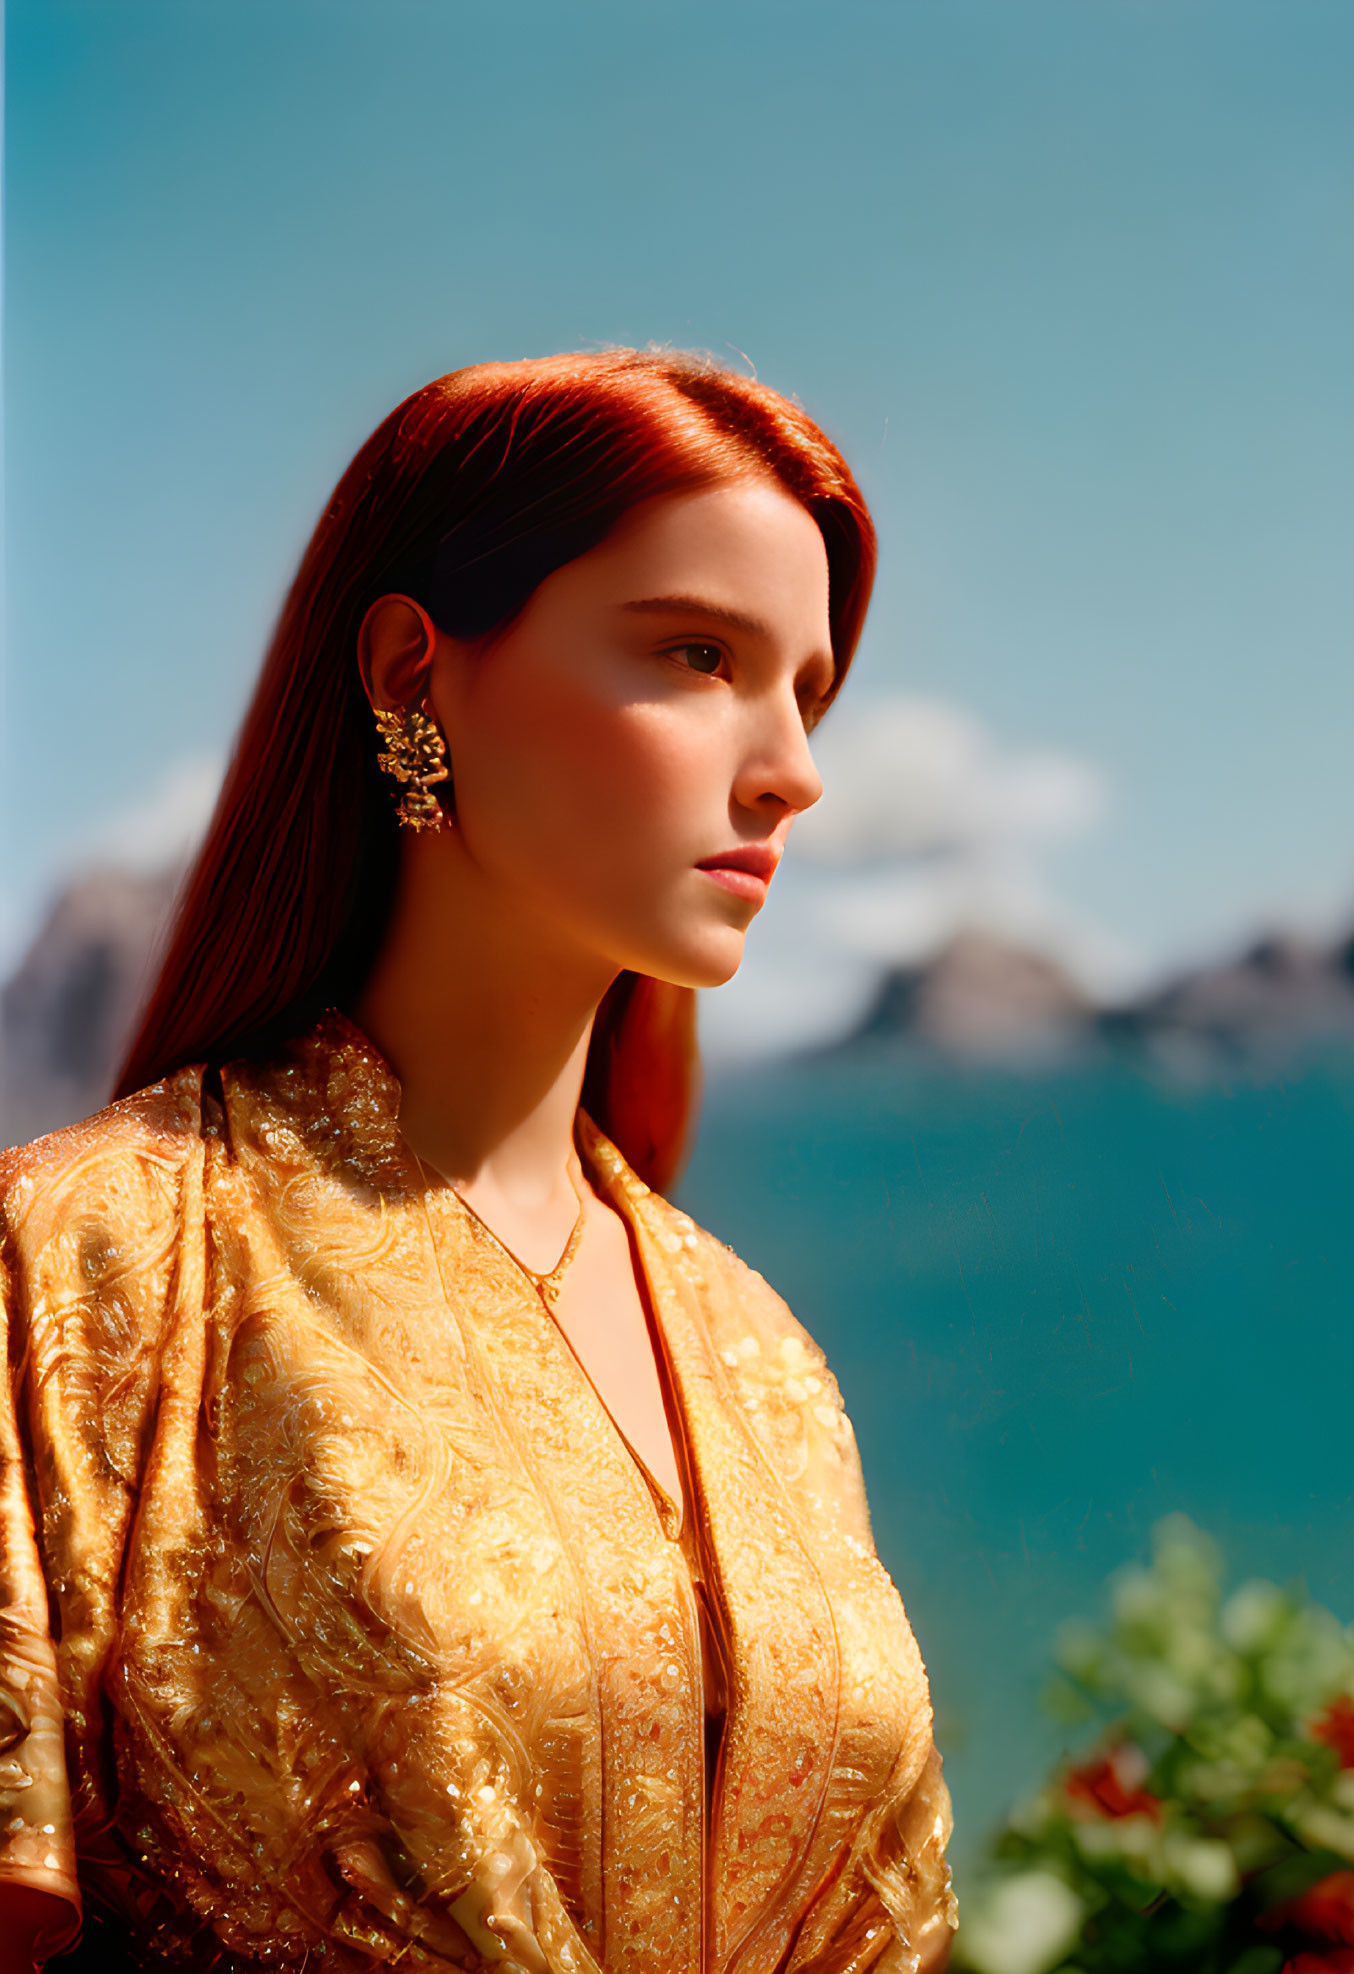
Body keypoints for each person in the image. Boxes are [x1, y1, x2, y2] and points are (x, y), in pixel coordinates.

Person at [0, 351, 954, 1973]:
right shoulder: (87, 1258)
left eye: (808, 687)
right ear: (408, 672)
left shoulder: (762, 1355)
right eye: (698, 654)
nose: (791, 764)